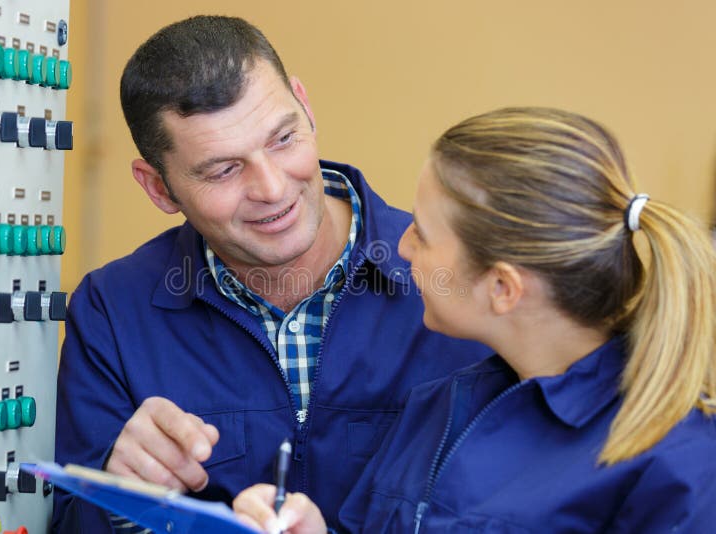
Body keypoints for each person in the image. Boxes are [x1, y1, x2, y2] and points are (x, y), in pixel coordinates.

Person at [52, 15, 491, 532]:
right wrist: (117, 496)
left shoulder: (462, 281)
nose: (273, 188)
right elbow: (64, 520)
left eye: (283, 139)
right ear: (159, 188)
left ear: (305, 106)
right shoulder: (111, 312)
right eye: (223, 170)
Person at [233, 107, 716, 533]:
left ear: (503, 288)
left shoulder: (679, 464)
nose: (401, 248)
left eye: (422, 233)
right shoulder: (440, 405)